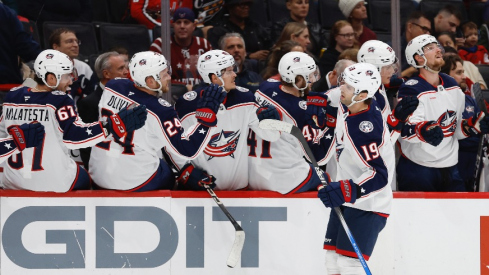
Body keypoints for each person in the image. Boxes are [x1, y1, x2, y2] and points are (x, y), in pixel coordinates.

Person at [0, 49, 147, 192]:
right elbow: (75, 137)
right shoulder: (60, 99)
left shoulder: (12, 95)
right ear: (51, 78)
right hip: (52, 183)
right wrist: (113, 125)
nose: (70, 81)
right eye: (66, 76)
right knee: (87, 177)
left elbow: (2, 132)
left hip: (12, 180)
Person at [89, 51, 224, 192]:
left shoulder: (113, 86)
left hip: (98, 173)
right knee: (169, 172)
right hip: (132, 182)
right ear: (150, 81)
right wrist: (207, 119)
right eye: (164, 74)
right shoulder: (161, 110)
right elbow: (188, 150)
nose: (169, 77)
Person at [317, 63, 393, 274]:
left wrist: (348, 190)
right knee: (332, 260)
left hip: (368, 204)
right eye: (343, 83)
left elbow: (379, 175)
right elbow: (330, 96)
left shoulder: (365, 129)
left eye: (348, 87)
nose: (341, 88)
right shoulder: (352, 102)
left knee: (350, 264)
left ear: (362, 95)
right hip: (348, 199)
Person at [168, 50, 280, 190]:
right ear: (214, 78)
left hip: (240, 191)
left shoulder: (245, 98)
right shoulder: (187, 105)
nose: (234, 74)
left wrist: (273, 123)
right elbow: (172, 144)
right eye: (228, 71)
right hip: (201, 193)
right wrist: (186, 171)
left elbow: (271, 136)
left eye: (233, 70)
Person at [397, 34, 489, 191]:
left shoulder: (452, 84)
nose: (438, 50)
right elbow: (405, 131)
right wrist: (423, 131)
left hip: (450, 168)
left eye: (437, 46)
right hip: (419, 169)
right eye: (430, 48)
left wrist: (473, 126)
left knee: (459, 215)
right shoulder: (411, 88)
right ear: (418, 58)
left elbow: (456, 130)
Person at [249, 51, 330, 194]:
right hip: (282, 178)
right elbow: (319, 158)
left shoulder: (265, 87)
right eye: (310, 75)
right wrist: (332, 126)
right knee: (326, 177)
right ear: (299, 78)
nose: (313, 79)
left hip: (252, 171)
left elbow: (288, 98)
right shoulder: (301, 113)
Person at [76, 51, 129, 169]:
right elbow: (86, 144)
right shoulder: (89, 103)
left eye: (125, 67)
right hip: (104, 168)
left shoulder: (132, 98)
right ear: (106, 74)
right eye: (121, 69)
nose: (126, 72)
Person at [440, 54, 482, 190]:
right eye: (459, 73)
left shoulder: (470, 100)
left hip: (474, 163)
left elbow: (480, 131)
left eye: (463, 71)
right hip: (452, 165)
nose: (464, 76)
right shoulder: (439, 101)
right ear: (446, 76)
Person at [149, 7, 212, 90]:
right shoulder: (160, 45)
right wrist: (183, 87)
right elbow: (154, 76)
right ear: (173, 25)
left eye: (186, 22)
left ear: (194, 26)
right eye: (178, 22)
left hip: (200, 92)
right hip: (171, 93)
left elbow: (213, 73)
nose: (182, 26)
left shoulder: (204, 44)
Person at [207, 0, 271, 61]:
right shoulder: (219, 30)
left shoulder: (255, 27)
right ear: (230, 7)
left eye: (248, 4)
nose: (246, 7)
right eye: (242, 5)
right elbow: (217, 54)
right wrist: (249, 55)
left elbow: (269, 44)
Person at [0, 3, 41, 86]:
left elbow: (26, 47)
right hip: (5, 83)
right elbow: (27, 48)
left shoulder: (5, 12)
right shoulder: (5, 12)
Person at [49, 28, 95, 98]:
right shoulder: (45, 68)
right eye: (70, 41)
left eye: (77, 41)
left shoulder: (84, 68)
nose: (76, 45)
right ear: (56, 47)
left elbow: (91, 97)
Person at [400, 11, 432, 78]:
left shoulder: (428, 50)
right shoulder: (393, 49)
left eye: (429, 31)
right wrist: (412, 69)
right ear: (410, 27)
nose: (428, 34)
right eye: (424, 29)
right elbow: (387, 83)